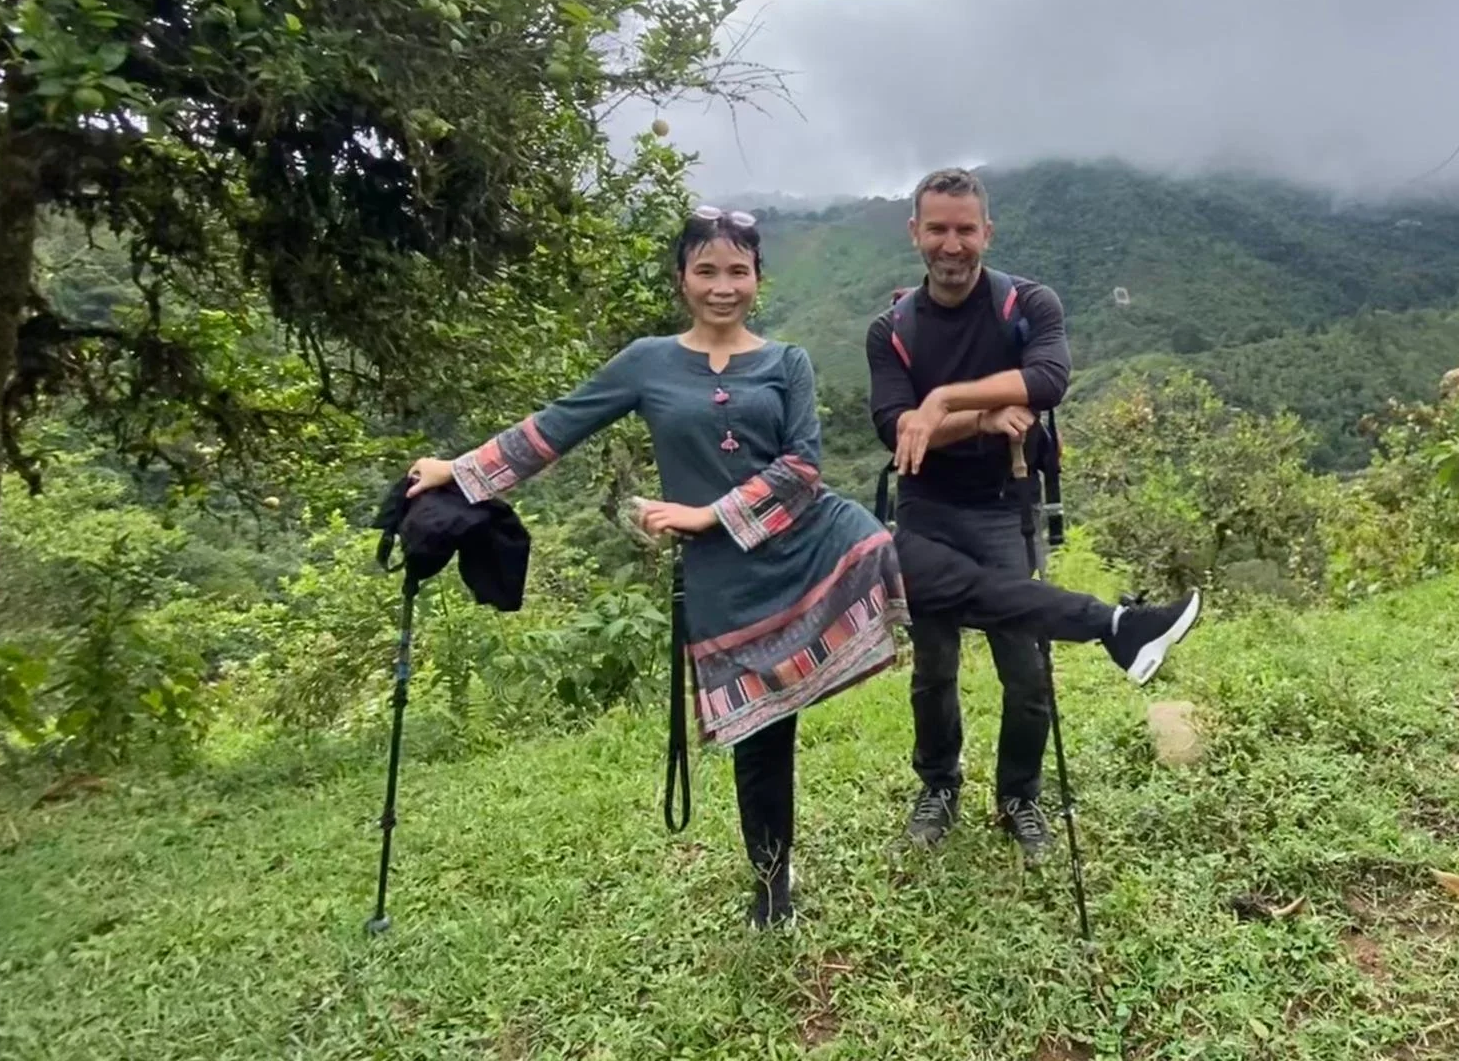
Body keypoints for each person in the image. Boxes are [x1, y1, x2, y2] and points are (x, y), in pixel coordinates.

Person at [408, 205, 1200, 928]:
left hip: (818, 539)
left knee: (973, 589)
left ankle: (1118, 627)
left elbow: (803, 470)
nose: (724, 287)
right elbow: (552, 429)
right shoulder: (646, 363)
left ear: (757, 279)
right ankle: (771, 889)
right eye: (707, 270)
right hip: (729, 576)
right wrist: (459, 471)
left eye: (738, 271)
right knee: (762, 734)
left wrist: (703, 514)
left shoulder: (786, 361)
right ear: (683, 278)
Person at [866, 166, 1200, 865]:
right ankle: (938, 786)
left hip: (1003, 506)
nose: (951, 244)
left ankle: (1020, 796)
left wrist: (940, 404)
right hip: (926, 506)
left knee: (1026, 665)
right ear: (914, 234)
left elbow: (1049, 381)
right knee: (933, 666)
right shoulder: (891, 330)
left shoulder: (1027, 303)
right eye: (937, 229)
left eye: (965, 229)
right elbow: (893, 431)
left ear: (987, 230)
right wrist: (982, 414)